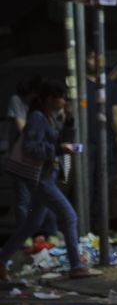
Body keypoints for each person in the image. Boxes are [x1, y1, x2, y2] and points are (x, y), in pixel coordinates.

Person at [0, 80, 100, 280]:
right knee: (70, 216)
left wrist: (69, 121)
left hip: (46, 177)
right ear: (49, 99)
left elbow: (63, 141)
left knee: (31, 224)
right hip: (40, 179)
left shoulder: (50, 118)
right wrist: (57, 149)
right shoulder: (38, 118)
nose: (64, 101)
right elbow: (30, 147)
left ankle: (1, 260)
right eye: (61, 98)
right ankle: (76, 265)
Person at [5, 75, 58, 244]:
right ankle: (25, 237)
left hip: (40, 159)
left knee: (46, 197)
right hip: (23, 159)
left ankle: (52, 233)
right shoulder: (18, 101)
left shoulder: (41, 108)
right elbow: (23, 129)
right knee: (24, 200)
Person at [85, 49, 117, 233]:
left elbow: (115, 112)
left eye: (98, 57)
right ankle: (87, 226)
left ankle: (101, 225)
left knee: (105, 185)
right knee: (87, 184)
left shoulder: (109, 85)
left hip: (105, 141)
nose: (95, 61)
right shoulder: (80, 85)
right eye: (91, 57)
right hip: (86, 142)